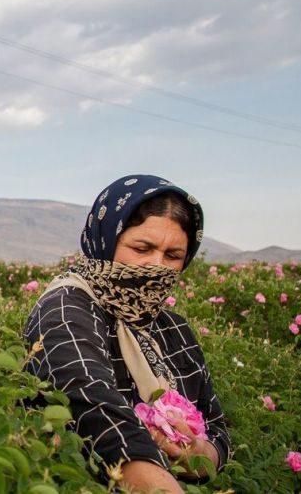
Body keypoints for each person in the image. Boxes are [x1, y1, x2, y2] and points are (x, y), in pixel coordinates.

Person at [24, 175, 230, 493]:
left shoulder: (174, 329)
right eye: (142, 248)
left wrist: (200, 455)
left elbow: (216, 426)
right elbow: (92, 406)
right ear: (106, 241)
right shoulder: (67, 308)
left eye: (173, 256)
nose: (156, 266)